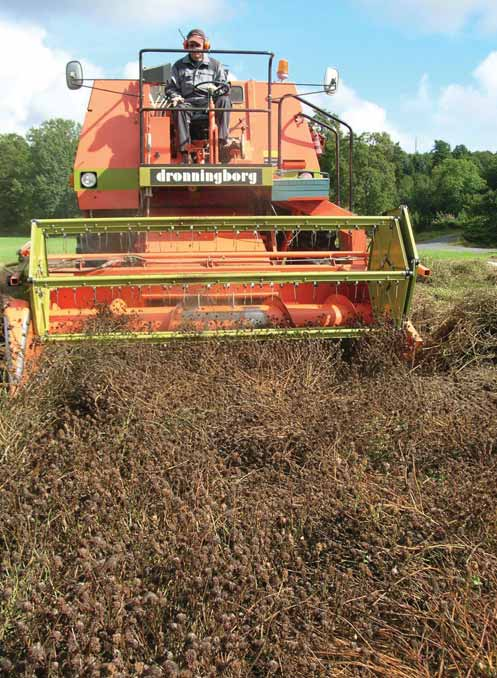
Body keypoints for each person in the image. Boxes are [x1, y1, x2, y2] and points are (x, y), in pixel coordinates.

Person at [167, 29, 231, 163]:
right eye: (191, 45)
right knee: (179, 109)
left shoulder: (215, 65)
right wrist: (176, 97)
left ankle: (222, 142)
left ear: (205, 46)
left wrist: (216, 90)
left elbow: (224, 86)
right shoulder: (178, 66)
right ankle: (185, 152)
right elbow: (171, 87)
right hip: (188, 102)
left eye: (197, 45)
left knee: (225, 100)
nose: (194, 48)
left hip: (209, 102)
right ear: (186, 46)